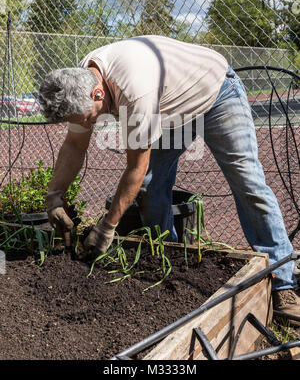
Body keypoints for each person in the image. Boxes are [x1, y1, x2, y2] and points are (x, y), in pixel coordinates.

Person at [39, 35, 300, 324]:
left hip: (215, 92)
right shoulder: (79, 83)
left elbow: (135, 169)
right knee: (151, 189)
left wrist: (107, 227)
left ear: (98, 94)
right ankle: (169, 262)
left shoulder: (133, 90)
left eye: (88, 117)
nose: (89, 124)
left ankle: (283, 284)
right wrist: (54, 196)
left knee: (248, 182)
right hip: (171, 108)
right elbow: (75, 145)